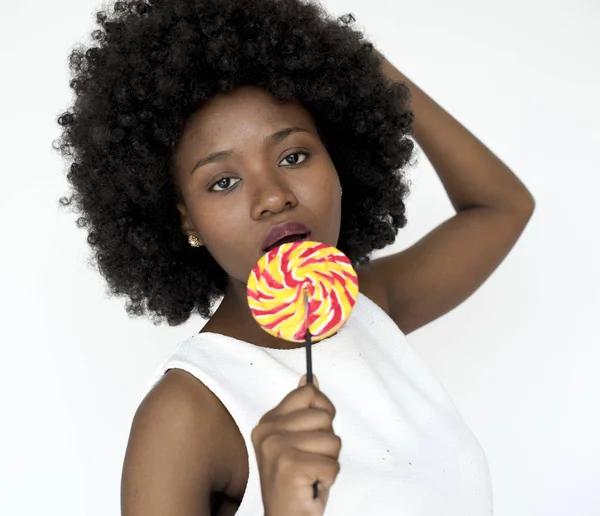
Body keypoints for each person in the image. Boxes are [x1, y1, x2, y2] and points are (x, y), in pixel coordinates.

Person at [55, 0, 535, 514]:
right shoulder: (187, 412)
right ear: (187, 220)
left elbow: (502, 206)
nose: (272, 195)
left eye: (294, 156)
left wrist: (367, 71)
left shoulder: (369, 305)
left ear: (340, 158)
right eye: (223, 181)